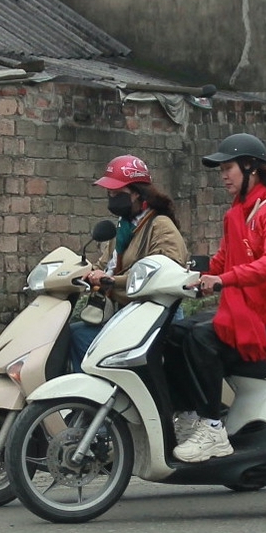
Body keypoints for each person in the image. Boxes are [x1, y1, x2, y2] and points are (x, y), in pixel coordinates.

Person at [165, 133, 266, 462]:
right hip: (248, 309)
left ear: (251, 168)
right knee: (176, 333)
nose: (224, 176)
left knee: (202, 339)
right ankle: (189, 417)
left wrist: (222, 281)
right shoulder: (238, 212)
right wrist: (186, 277)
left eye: (228, 168)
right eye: (221, 170)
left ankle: (214, 428)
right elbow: (222, 260)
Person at [68, 155, 187, 373]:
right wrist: (84, 272)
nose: (112, 198)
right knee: (75, 334)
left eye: (117, 193)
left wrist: (113, 280)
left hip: (153, 317)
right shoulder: (123, 227)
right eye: (110, 193)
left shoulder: (160, 226)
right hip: (125, 313)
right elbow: (105, 263)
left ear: (136, 193)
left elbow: (167, 272)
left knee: (86, 340)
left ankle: (100, 395)